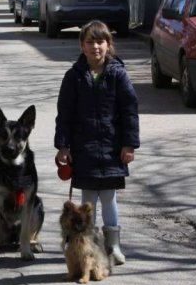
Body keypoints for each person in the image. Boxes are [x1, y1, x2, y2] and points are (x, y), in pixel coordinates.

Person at [54, 20, 139, 265]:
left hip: (113, 149)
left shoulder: (118, 75)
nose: (95, 47)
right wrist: (63, 146)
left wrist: (129, 144)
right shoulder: (73, 77)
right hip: (84, 150)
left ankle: (113, 247)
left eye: (100, 41)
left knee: (109, 197)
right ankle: (87, 247)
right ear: (82, 46)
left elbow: (130, 111)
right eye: (90, 42)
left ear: (108, 45)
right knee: (88, 200)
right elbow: (65, 114)